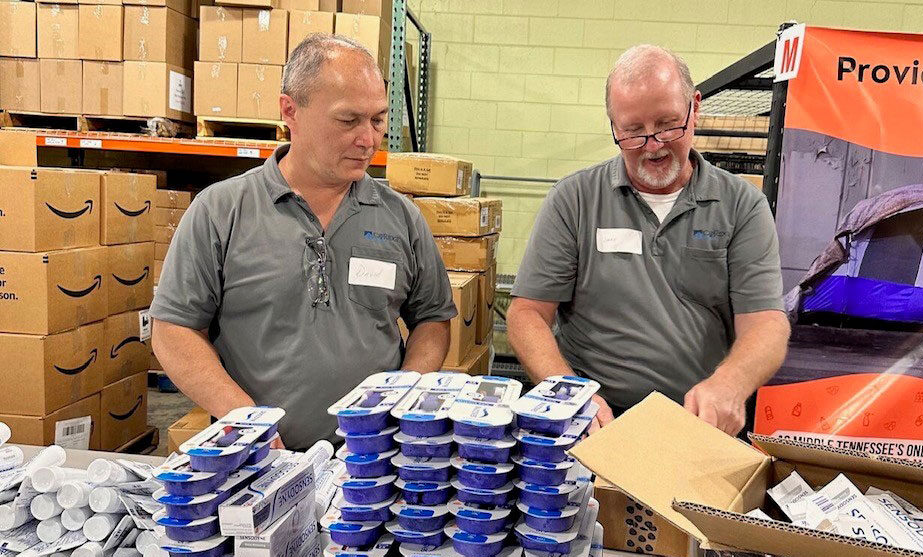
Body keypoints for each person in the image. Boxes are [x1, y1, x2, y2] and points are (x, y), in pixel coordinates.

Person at [151, 35, 456, 449]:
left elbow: (433, 320)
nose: (368, 139)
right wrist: (247, 420)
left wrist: (400, 396)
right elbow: (174, 329)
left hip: (371, 463)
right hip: (258, 461)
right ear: (289, 110)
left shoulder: (401, 218)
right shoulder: (221, 211)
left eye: (378, 120)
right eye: (348, 120)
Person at [507, 44, 790, 436]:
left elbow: (766, 324)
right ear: (613, 126)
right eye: (633, 131)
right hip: (597, 422)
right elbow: (527, 314)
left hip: (698, 424)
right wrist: (570, 394)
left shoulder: (742, 206)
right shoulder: (574, 200)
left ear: (695, 108)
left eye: (667, 125)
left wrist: (730, 384)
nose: (653, 145)